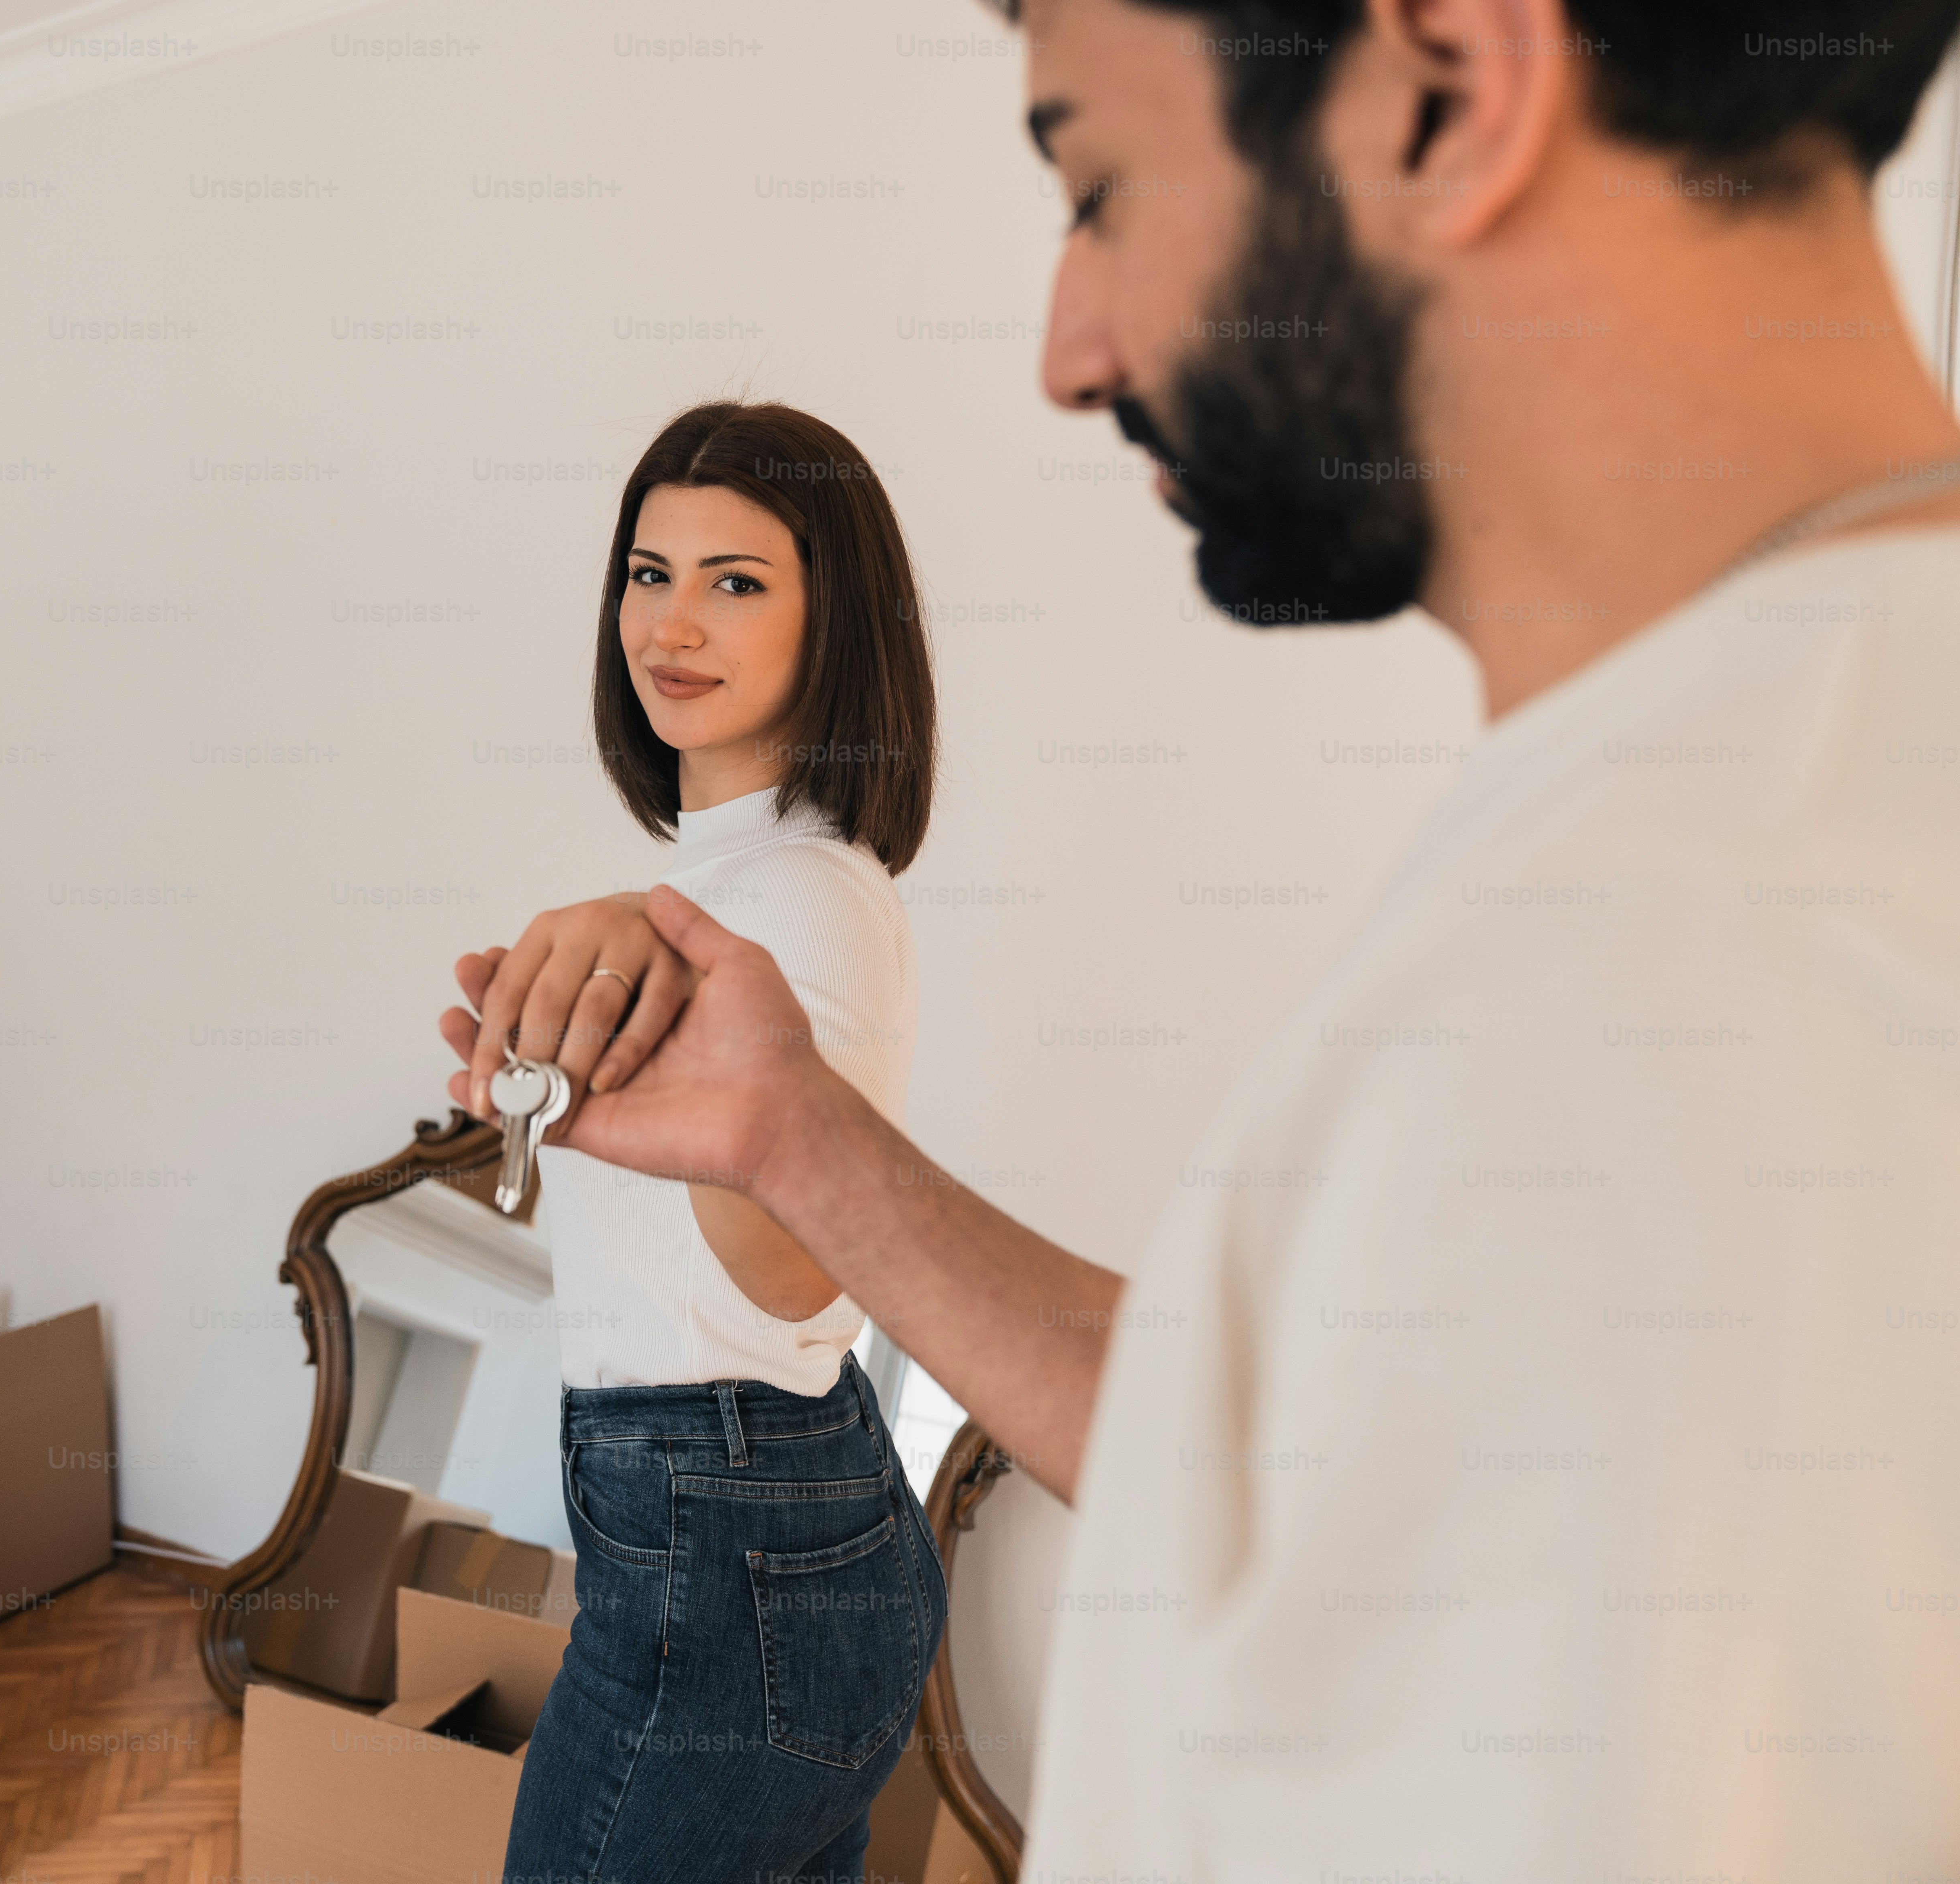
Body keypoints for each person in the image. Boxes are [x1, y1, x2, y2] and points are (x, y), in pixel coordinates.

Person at [442, 0, 1960, 1873]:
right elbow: (1304, 1457)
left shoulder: (1749, 926)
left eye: (1099, 181)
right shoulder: (1688, 813)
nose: (1071, 352)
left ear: (1456, 82)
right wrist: (793, 1135)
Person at [482, 401, 947, 1884]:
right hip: (755, 1532)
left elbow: (807, 1278)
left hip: (730, 1545)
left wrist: (700, 1104)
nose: (671, 623)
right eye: (647, 571)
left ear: (836, 619)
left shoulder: (794, 895)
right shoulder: (732, 878)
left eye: (736, 580)